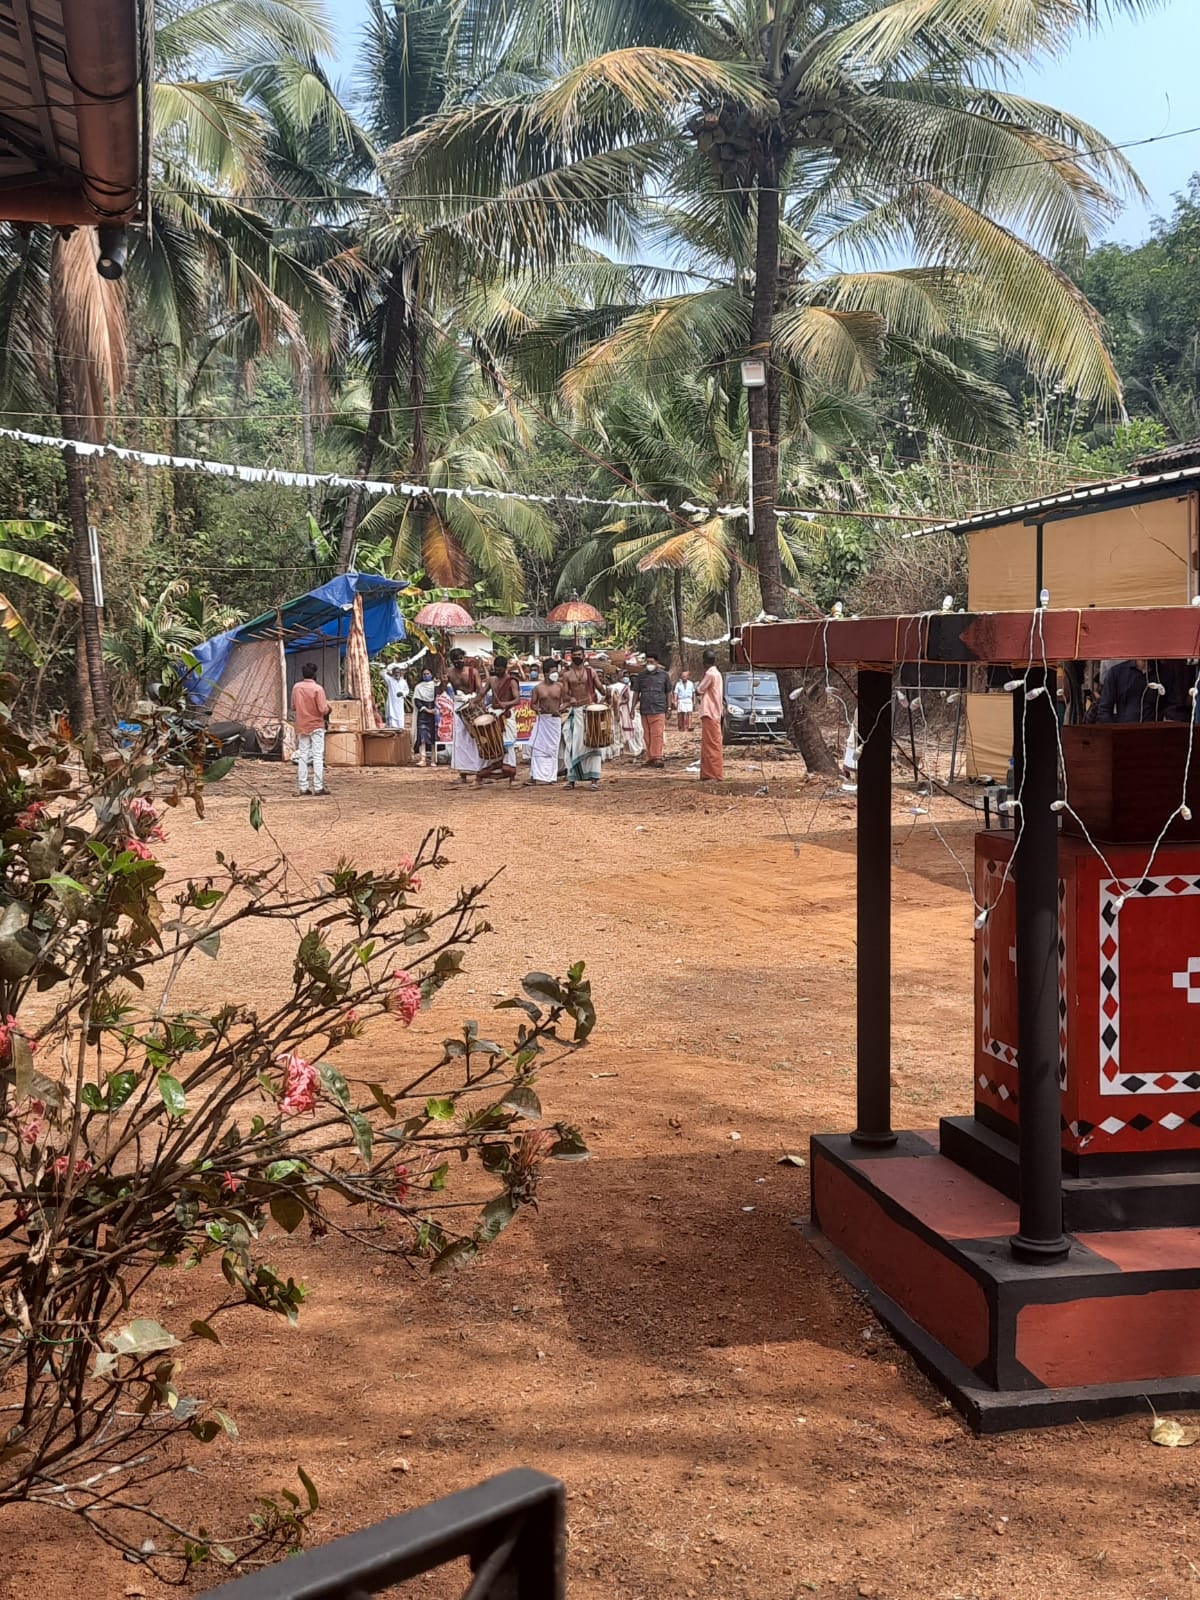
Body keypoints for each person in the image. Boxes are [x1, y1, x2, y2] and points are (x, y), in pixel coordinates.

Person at [561, 645, 604, 790]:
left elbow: (600, 688)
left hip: (590, 712)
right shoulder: (566, 675)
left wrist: (607, 692)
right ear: (571, 657)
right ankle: (571, 779)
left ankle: (594, 780)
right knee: (572, 745)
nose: (577, 657)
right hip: (576, 712)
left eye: (579, 654)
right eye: (574, 655)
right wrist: (570, 698)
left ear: (584, 656)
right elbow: (564, 694)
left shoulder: (591, 672)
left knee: (593, 743)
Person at [480, 654, 521, 784]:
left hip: (506, 715)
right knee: (490, 743)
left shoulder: (512, 681)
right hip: (493, 715)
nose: (497, 670)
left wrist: (506, 704)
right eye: (495, 668)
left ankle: (511, 777)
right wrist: (473, 701)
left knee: (508, 744)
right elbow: (481, 694)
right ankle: (485, 774)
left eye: (499, 668)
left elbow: (517, 699)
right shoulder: (491, 680)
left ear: (505, 668)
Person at [291, 662, 330, 797]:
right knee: (318, 756)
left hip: (302, 725)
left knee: (303, 755)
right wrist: (329, 709)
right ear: (314, 674)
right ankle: (318, 787)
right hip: (316, 725)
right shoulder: (318, 689)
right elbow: (323, 710)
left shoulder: (296, 687)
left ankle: (303, 787)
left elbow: (294, 707)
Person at [447, 648, 483, 783]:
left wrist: (476, 703)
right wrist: (444, 682)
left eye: (461, 658)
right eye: (456, 660)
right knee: (460, 739)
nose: (459, 661)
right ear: (452, 661)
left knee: (476, 737)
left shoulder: (472, 672)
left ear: (464, 658)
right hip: (458, 706)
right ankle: (463, 773)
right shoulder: (448, 673)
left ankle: (480, 772)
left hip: (472, 705)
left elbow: (480, 691)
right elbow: (439, 691)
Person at [528, 658, 564, 784]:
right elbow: (532, 704)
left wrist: (561, 709)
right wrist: (536, 709)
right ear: (546, 673)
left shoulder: (560, 686)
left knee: (553, 749)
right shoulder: (538, 688)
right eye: (552, 672)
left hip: (554, 721)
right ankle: (536, 776)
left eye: (556, 671)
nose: (555, 674)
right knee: (538, 748)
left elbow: (569, 701)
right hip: (543, 720)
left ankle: (550, 776)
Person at [634, 651, 673, 767]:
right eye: (648, 662)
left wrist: (669, 707)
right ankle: (650, 758)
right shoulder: (641, 676)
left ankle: (657, 757)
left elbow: (668, 692)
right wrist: (632, 709)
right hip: (645, 709)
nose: (649, 664)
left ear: (656, 663)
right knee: (647, 734)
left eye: (652, 662)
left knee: (657, 734)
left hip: (659, 708)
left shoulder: (664, 675)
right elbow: (636, 693)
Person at [1096, 658, 1157, 724]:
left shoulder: (1162, 673)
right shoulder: (1117, 672)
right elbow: (1104, 709)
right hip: (1124, 728)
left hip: (1154, 729)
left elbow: (1168, 706)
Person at [698, 649, 724, 781]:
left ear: (704, 662)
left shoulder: (710, 674)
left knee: (711, 745)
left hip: (710, 712)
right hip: (715, 712)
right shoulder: (717, 674)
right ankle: (709, 772)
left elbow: (700, 689)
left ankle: (713, 773)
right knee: (712, 743)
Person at [412, 668, 438, 767]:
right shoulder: (419, 687)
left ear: (432, 674)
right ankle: (423, 759)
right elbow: (417, 701)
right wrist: (427, 710)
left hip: (435, 714)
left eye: (428, 673)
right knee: (422, 737)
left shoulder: (436, 686)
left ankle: (433, 759)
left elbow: (439, 697)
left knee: (433, 737)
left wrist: (434, 710)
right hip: (423, 715)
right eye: (424, 674)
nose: (426, 675)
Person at [382, 663, 410, 731]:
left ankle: (400, 728)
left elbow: (407, 690)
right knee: (392, 715)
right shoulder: (390, 680)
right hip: (392, 702)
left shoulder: (403, 682)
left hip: (399, 702)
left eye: (398, 672)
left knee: (400, 716)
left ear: (400, 673)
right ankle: (392, 727)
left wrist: (403, 693)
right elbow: (382, 673)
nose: (396, 674)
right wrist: (388, 667)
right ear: (393, 673)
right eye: (395, 672)